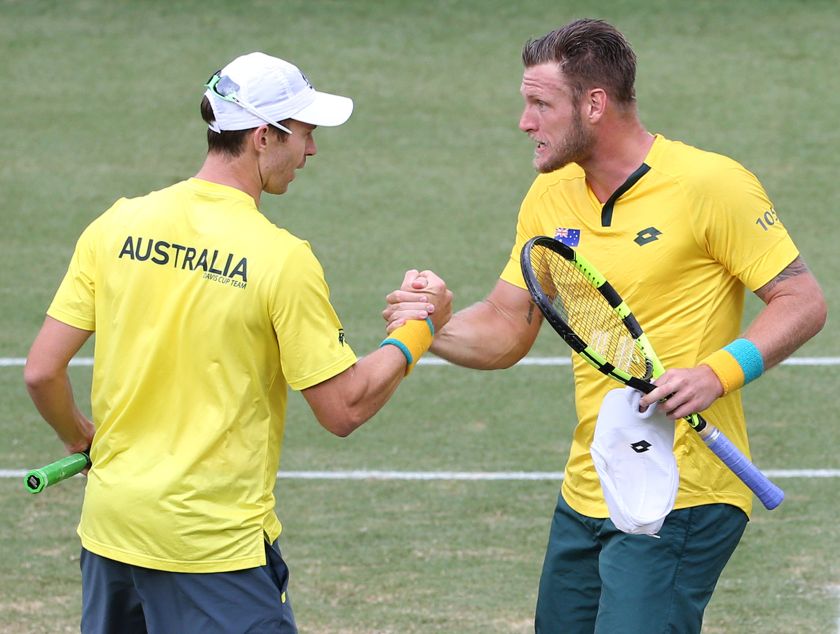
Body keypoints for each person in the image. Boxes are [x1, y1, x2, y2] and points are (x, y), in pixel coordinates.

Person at [384, 19, 827, 634]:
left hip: (683, 494)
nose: (524, 122)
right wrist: (435, 325)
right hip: (590, 487)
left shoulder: (711, 185)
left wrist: (716, 374)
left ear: (594, 105)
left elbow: (802, 300)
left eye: (540, 103)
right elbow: (509, 326)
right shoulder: (550, 196)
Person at [24, 52, 451, 634]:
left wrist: (81, 438)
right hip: (213, 552)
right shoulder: (281, 259)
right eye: (304, 133)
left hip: (111, 535)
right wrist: (420, 328)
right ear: (261, 136)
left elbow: (42, 371)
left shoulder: (116, 223)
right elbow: (343, 407)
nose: (312, 150)